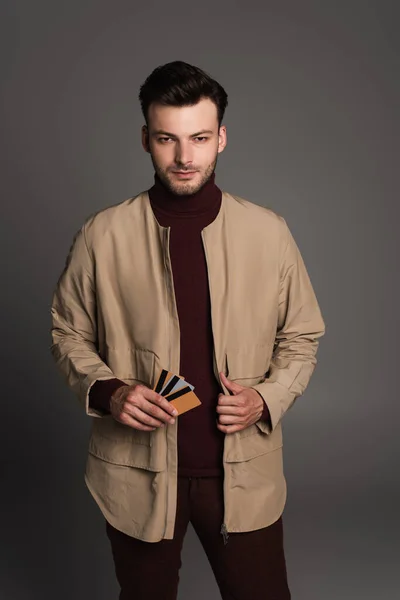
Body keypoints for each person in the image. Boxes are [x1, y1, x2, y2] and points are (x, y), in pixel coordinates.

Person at [50, 60, 325, 600]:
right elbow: (67, 333)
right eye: (166, 139)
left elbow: (301, 336)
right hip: (136, 472)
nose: (184, 157)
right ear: (145, 139)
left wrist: (265, 399)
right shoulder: (101, 235)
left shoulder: (269, 233)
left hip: (243, 474)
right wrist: (109, 392)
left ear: (221, 137)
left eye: (199, 137)